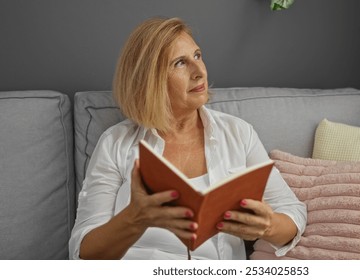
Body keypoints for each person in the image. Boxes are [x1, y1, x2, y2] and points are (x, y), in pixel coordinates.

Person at [69, 17, 307, 260]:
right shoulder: (115, 143)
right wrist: (133, 219)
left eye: (197, 55)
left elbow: (293, 213)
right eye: (180, 63)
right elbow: (82, 251)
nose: (199, 72)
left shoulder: (238, 134)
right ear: (150, 80)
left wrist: (268, 226)